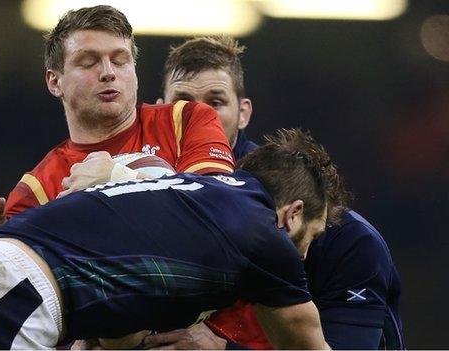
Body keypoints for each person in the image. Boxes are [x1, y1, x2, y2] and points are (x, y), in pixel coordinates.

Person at [0, 129, 341, 350]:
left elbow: (119, 331)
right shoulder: (262, 233)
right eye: (311, 238)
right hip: (2, 295)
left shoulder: (190, 203)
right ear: (293, 214)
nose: (302, 256)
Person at [145, 36, 404, 349]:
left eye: (215, 101)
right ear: (159, 115)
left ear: (244, 113)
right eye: (183, 101)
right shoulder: (142, 205)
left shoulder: (342, 238)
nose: (199, 115)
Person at [0, 5, 234, 242]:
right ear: (54, 82)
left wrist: (117, 180)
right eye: (88, 62)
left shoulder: (186, 120)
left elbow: (223, 214)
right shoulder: (37, 190)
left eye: (119, 60)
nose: (108, 73)